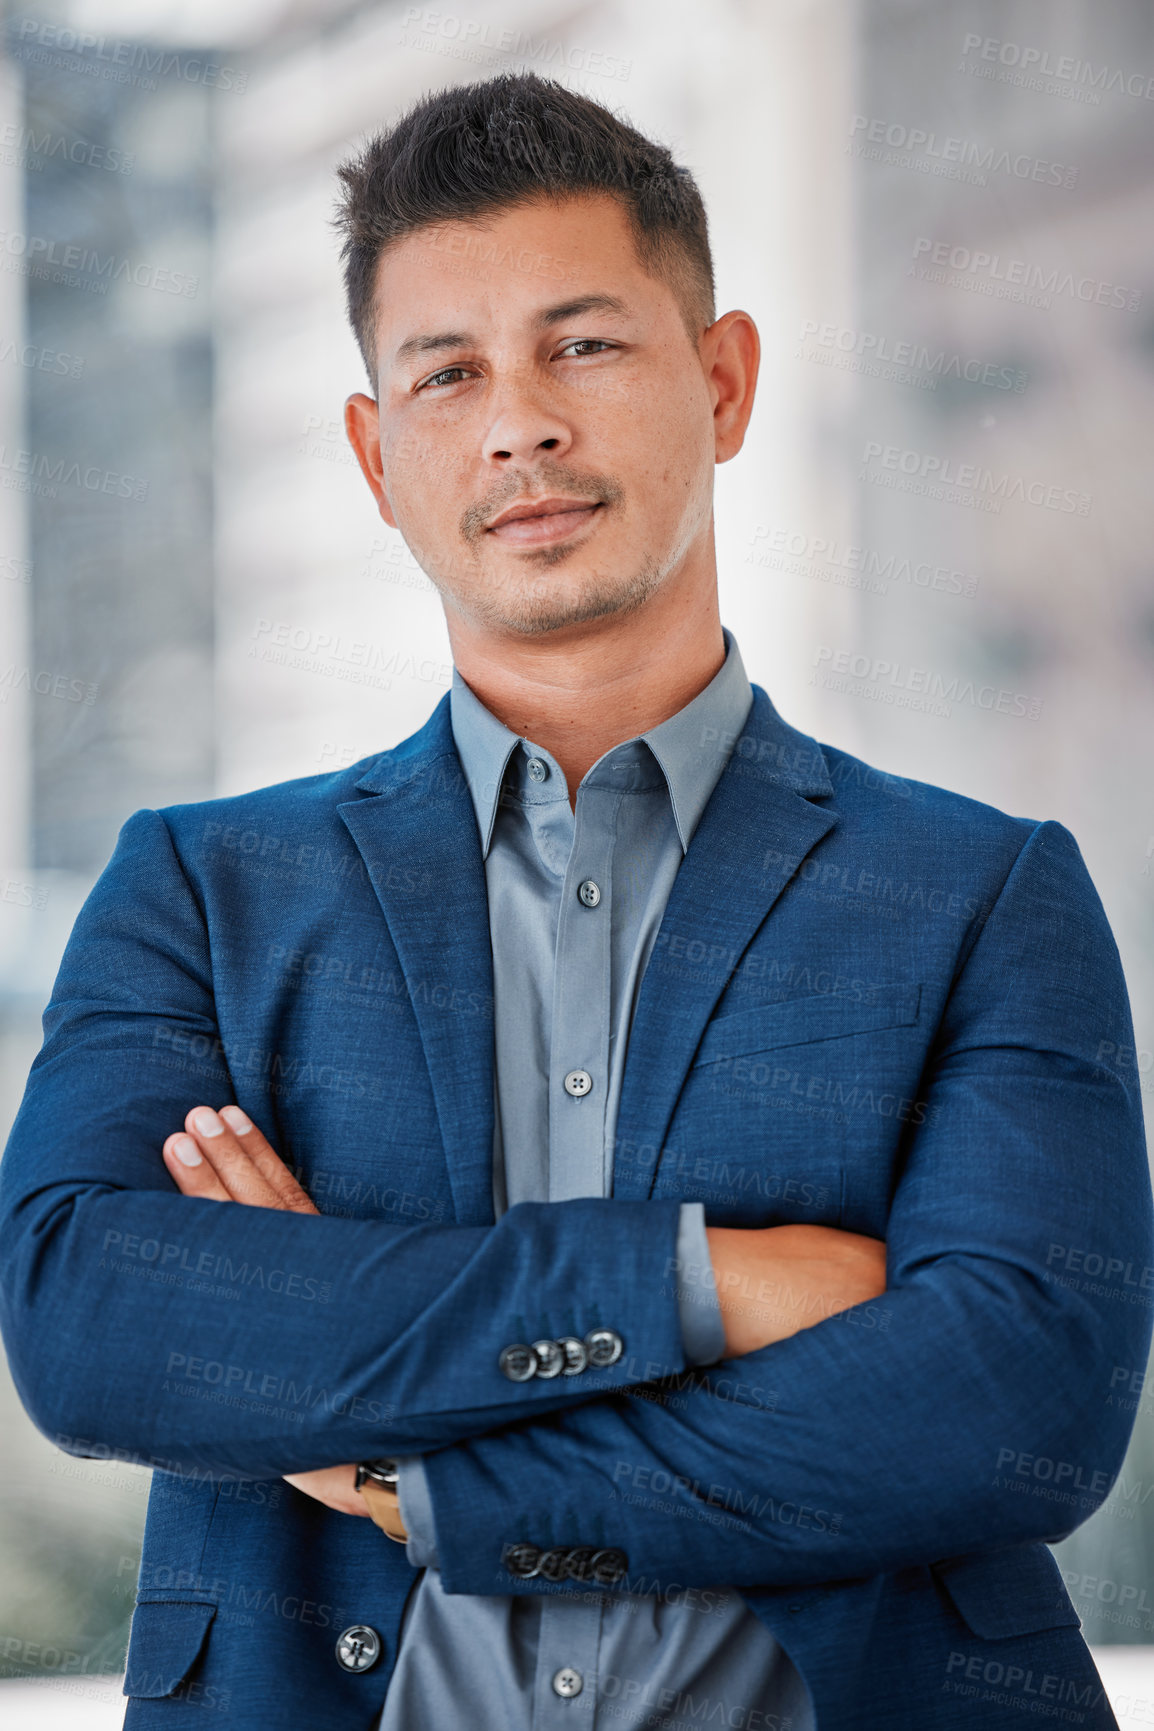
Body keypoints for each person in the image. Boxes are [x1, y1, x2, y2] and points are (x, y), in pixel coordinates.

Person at [0, 71, 1148, 1731]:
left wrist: (419, 1474)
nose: (518, 423)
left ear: (724, 378)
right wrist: (700, 1284)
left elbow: (1010, 1396)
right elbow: (89, 1327)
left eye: (582, 345)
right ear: (372, 453)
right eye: (446, 373)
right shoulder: (201, 892)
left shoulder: (978, 894)